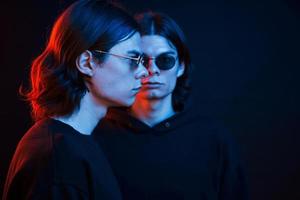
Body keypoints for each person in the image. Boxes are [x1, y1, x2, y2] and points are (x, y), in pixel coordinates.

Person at [93, 11, 248, 199]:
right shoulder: (97, 136)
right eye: (140, 60)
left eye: (165, 60)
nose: (152, 71)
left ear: (181, 66)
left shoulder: (214, 138)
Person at [2, 0, 148, 199]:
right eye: (133, 60)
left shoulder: (75, 143)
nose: (144, 72)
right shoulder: (58, 157)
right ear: (87, 63)